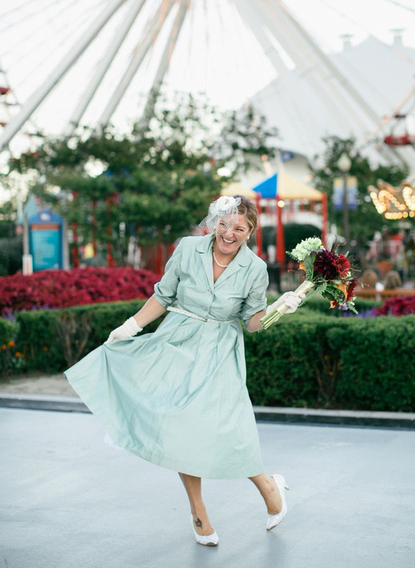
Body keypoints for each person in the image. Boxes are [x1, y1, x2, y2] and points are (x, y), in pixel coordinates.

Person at [63, 195, 303, 547]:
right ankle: (199, 513)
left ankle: (268, 485)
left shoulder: (255, 269)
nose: (229, 233)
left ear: (250, 232)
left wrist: (280, 308)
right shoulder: (189, 248)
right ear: (214, 221)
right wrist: (130, 327)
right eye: (224, 224)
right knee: (180, 428)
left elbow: (251, 323)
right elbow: (163, 296)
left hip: (221, 349)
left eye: (239, 228)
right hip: (177, 341)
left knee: (230, 428)